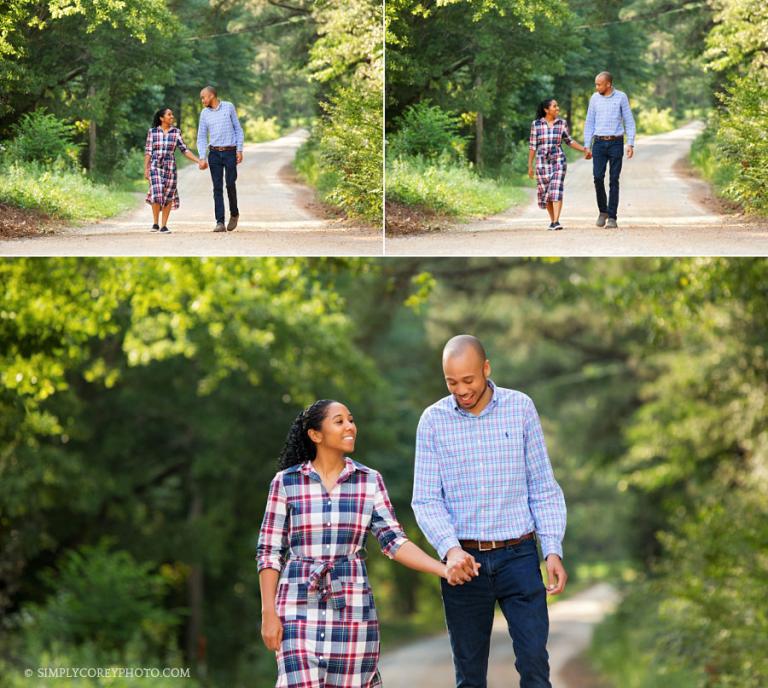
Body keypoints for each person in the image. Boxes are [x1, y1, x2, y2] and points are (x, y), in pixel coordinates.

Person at [257, 399, 463, 688]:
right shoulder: (286, 483)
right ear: (316, 435)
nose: (350, 426)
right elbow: (268, 551)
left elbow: (394, 541)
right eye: (339, 421)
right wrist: (269, 613)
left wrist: (444, 569)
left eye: (351, 420)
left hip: (352, 611)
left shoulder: (369, 481)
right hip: (296, 607)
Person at [412, 335, 568, 688]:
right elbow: (425, 499)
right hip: (464, 563)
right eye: (452, 382)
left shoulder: (521, 407)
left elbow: (542, 486)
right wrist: (450, 550)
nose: (461, 390)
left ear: (486, 368)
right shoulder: (433, 421)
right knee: (469, 677)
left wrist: (552, 548)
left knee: (533, 664)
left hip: (520, 556)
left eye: (468, 380)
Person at [583, 71, 637, 229]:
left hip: (616, 142)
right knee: (598, 178)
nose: (596, 87)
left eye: (599, 84)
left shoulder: (621, 97)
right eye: (596, 84)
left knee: (614, 180)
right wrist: (587, 145)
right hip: (599, 143)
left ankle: (612, 217)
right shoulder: (594, 98)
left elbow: (629, 120)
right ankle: (603, 211)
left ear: (608, 84)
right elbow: (589, 122)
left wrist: (631, 143)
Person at [528, 98, 591, 230]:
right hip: (542, 161)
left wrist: (584, 149)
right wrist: (530, 166)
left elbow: (569, 141)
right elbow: (533, 146)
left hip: (558, 160)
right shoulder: (536, 124)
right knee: (547, 193)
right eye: (554, 106)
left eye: (557, 106)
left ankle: (556, 221)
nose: (557, 108)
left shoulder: (561, 123)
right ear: (546, 109)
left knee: (556, 188)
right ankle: (553, 221)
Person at [144, 107, 205, 233]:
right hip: (155, 165)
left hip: (170, 166)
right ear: (161, 118)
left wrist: (198, 160)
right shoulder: (153, 132)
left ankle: (163, 225)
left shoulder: (176, 132)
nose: (172, 117)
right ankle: (155, 223)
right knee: (156, 192)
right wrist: (146, 168)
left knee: (168, 194)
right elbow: (148, 151)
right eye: (169, 115)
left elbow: (184, 149)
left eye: (172, 115)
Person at [196, 86, 244, 232]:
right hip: (214, 154)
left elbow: (238, 129)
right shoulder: (204, 114)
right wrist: (202, 157)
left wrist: (239, 149)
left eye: (203, 97)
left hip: (230, 152)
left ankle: (234, 213)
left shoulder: (228, 107)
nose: (202, 100)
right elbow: (202, 136)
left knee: (230, 184)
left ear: (211, 96)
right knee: (217, 187)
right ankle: (220, 222)